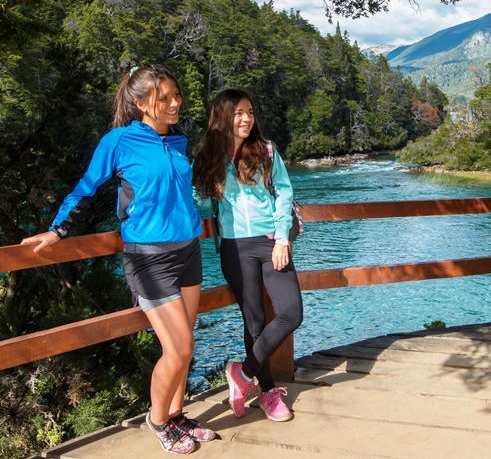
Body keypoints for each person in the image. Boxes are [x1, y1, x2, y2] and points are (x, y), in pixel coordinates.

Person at [21, 65, 215, 454]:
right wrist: (58, 230)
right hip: (148, 258)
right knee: (177, 348)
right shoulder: (119, 141)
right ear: (141, 103)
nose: (175, 102)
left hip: (188, 251)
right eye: (165, 98)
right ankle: (157, 420)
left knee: (185, 346)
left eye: (177, 95)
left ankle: (177, 415)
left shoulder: (177, 141)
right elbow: (85, 187)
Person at [192, 88, 302, 422]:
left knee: (291, 313)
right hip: (235, 247)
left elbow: (283, 194)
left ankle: (241, 374)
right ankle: (267, 392)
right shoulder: (209, 158)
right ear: (223, 116)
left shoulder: (266, 151)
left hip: (271, 243)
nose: (246, 118)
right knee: (253, 320)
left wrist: (282, 238)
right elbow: (197, 202)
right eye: (239, 112)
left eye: (250, 112)